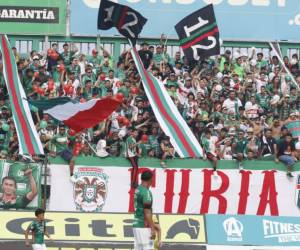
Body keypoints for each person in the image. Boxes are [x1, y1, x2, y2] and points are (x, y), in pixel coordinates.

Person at [133, 170, 156, 250]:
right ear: (150, 180)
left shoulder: (138, 189)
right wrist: (152, 228)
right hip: (144, 226)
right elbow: (147, 212)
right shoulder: (146, 192)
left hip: (136, 225)